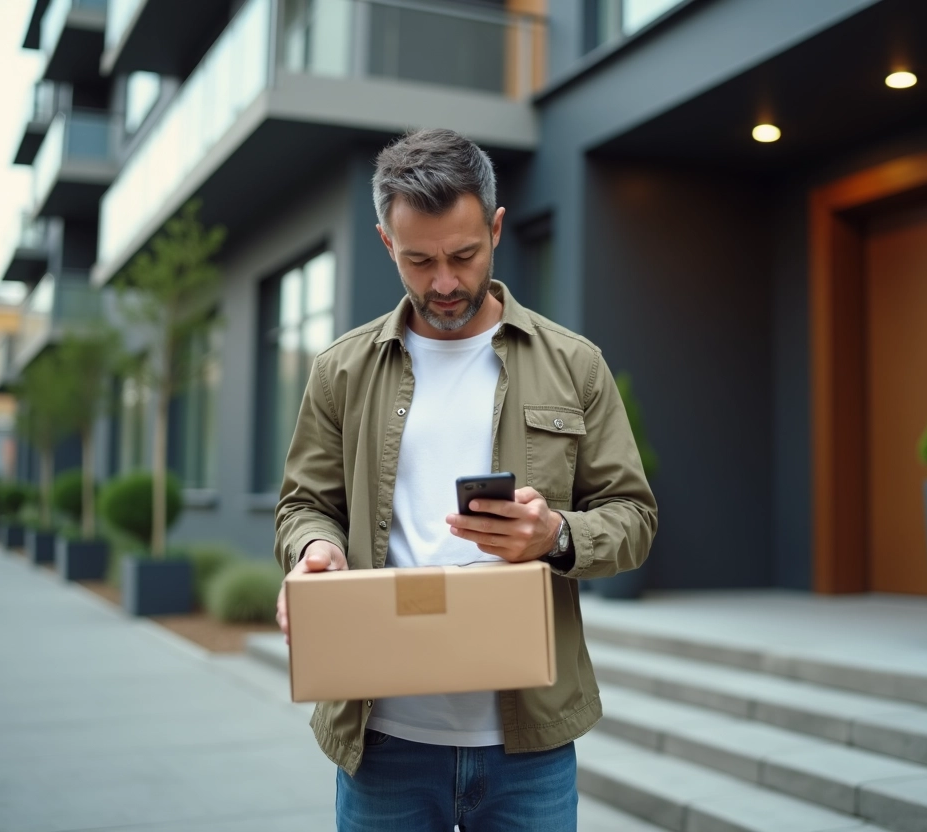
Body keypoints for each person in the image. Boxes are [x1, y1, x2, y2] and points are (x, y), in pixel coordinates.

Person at [274, 128, 657, 832]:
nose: (444, 282)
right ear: (388, 244)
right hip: (382, 741)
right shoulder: (341, 370)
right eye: (419, 260)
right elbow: (306, 504)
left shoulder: (575, 364)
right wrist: (313, 552)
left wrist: (555, 534)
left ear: (497, 228)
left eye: (463, 255)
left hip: (528, 747)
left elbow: (633, 517)